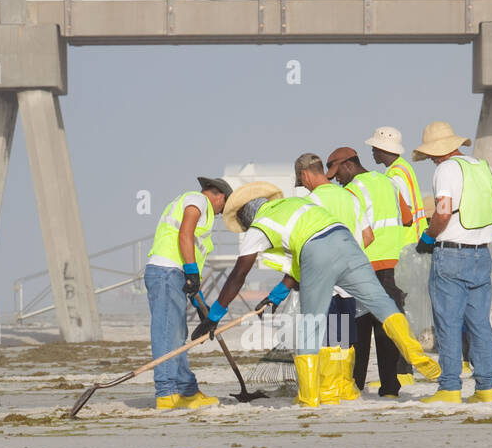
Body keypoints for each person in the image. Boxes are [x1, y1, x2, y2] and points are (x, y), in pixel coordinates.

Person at [191, 186, 440, 408]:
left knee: (311, 324)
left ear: (247, 216)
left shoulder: (259, 227)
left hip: (316, 251)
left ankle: (309, 397)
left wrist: (214, 315)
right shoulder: (297, 204)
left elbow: (239, 274)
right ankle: (414, 352)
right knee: (381, 301)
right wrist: (277, 295)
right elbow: (299, 263)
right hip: (346, 243)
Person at [414, 121, 492, 403]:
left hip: (451, 254)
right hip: (481, 253)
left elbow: (442, 213)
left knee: (448, 323)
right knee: (480, 323)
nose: (430, 158)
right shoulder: (482, 167)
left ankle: (450, 388)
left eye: (431, 154)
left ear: (438, 152)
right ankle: (486, 388)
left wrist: (428, 238)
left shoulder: (445, 170)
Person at [326, 147, 414, 397]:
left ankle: (355, 384)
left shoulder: (352, 191)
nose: (337, 179)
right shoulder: (390, 184)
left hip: (364, 267)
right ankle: (390, 388)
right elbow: (406, 220)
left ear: (349, 165)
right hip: (394, 267)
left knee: (357, 329)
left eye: (338, 173)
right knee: (388, 328)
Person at [144, 176, 232, 411]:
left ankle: (186, 390)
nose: (220, 214)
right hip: (166, 271)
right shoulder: (197, 200)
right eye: (223, 209)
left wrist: (205, 310)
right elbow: (185, 235)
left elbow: (193, 271)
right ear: (220, 196)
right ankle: (166, 394)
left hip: (174, 274)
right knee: (166, 333)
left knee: (177, 335)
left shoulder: (203, 213)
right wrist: (192, 272)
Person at [294, 152, 374, 402]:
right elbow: (368, 236)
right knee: (343, 337)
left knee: (325, 335)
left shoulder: (310, 202)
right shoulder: (349, 197)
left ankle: (327, 390)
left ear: (305, 175)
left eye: (301, 179)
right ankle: (343, 387)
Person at [364, 125, 428, 245]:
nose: (372, 153)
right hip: (412, 238)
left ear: (381, 149)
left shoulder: (396, 174)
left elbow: (405, 214)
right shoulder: (401, 167)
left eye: (374, 149)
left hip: (406, 241)